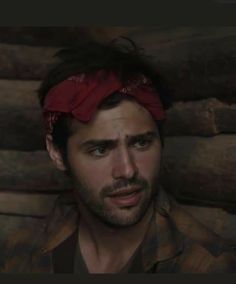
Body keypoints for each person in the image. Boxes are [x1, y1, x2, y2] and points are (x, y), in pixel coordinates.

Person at [2, 38, 236, 273]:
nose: (127, 170)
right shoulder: (21, 252)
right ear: (57, 153)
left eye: (141, 143)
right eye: (100, 150)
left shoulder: (209, 265)